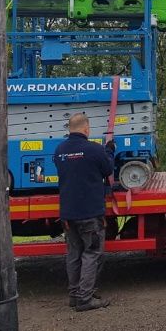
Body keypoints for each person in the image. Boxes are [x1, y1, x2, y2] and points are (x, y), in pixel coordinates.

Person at [54, 112, 115, 312]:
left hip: (68, 214)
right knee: (92, 253)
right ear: (86, 129)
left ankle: (74, 295)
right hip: (90, 213)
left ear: (69, 129)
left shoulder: (59, 151)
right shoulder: (94, 149)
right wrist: (110, 151)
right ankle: (85, 299)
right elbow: (107, 169)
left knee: (74, 254)